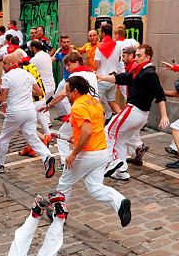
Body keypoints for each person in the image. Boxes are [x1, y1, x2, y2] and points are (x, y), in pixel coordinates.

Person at [54, 76, 132, 227]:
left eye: (67, 91)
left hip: (87, 153)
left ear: (75, 91)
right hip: (102, 151)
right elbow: (95, 125)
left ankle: (58, 215)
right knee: (95, 188)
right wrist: (76, 137)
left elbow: (87, 131)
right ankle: (120, 202)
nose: (66, 95)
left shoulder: (77, 106)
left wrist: (73, 154)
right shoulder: (94, 102)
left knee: (64, 184)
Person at [100, 45, 169, 181]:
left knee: (107, 132)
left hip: (134, 110)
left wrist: (164, 114)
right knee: (120, 139)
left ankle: (113, 161)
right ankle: (122, 171)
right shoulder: (139, 71)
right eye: (136, 55)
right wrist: (101, 77)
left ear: (147, 57)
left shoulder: (149, 73)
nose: (136, 58)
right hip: (140, 115)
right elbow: (122, 78)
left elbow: (159, 95)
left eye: (139, 56)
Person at [0, 52, 55, 178]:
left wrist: (1, 89)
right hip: (30, 111)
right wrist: (25, 90)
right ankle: (47, 156)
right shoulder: (27, 74)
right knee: (32, 137)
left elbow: (1, 99)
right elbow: (39, 92)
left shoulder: (7, 77)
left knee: (3, 139)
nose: (3, 65)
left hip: (15, 111)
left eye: (5, 63)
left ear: (13, 63)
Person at [94, 24, 123, 119]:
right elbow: (119, 59)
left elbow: (96, 65)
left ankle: (100, 122)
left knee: (96, 102)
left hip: (102, 79)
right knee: (111, 101)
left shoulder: (99, 47)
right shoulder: (117, 46)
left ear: (103, 33)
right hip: (113, 78)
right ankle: (120, 118)